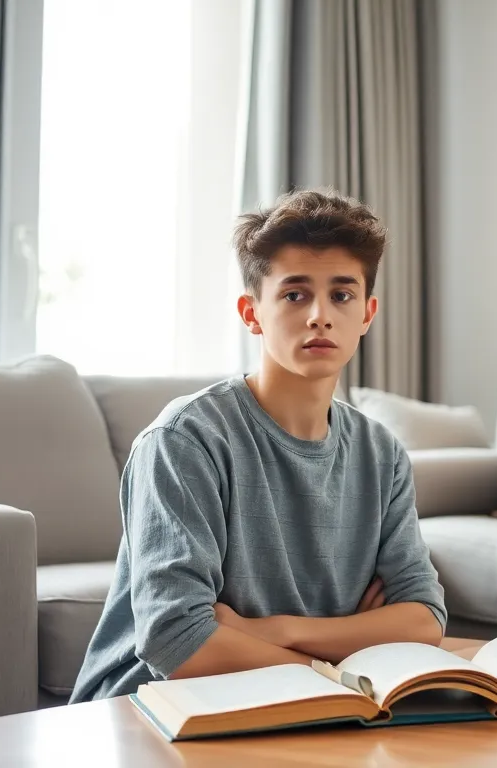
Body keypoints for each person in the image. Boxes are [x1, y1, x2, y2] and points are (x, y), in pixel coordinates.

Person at [70, 189, 446, 702]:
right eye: (294, 295)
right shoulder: (186, 439)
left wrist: (272, 630)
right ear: (252, 313)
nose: (320, 315)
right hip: (145, 711)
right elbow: (179, 644)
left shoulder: (382, 454)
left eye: (341, 295)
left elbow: (423, 619)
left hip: (298, 710)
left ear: (367, 313)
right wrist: (343, 662)